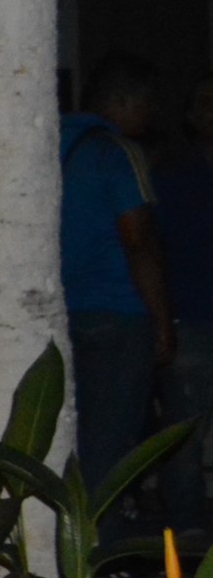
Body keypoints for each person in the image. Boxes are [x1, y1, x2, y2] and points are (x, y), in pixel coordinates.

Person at [61, 55, 175, 530]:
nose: (148, 117)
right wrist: (162, 319)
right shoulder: (117, 150)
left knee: (69, 435)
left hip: (62, 310)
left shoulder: (52, 142)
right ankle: (99, 547)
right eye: (145, 105)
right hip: (116, 311)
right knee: (110, 439)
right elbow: (137, 238)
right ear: (122, 102)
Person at [154, 76, 213, 538]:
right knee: (184, 435)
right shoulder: (171, 177)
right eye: (205, 104)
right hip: (190, 317)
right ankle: (187, 536)